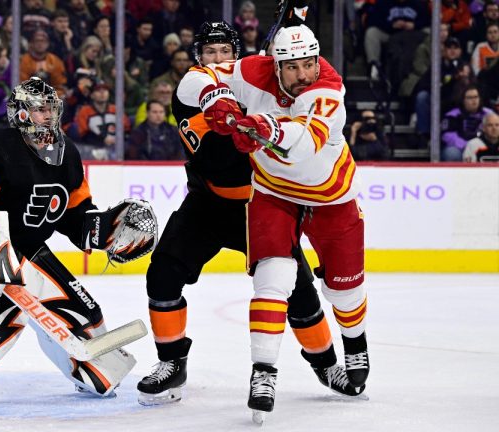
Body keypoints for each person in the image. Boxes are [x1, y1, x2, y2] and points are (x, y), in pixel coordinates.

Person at [136, 19, 365, 409]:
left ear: (237, 57)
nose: (218, 58)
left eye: (225, 52)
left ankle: (326, 365)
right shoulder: (190, 95)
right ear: (198, 59)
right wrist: (230, 115)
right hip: (208, 203)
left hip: (261, 202)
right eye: (210, 53)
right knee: (162, 273)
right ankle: (172, 363)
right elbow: (216, 155)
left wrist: (260, 122)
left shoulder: (259, 87)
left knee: (300, 295)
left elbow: (302, 126)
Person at [0, 77, 151, 416]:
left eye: (50, 109)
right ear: (20, 114)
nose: (47, 116)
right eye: (38, 110)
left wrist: (104, 231)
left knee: (85, 314)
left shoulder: (68, 155)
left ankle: (88, 370)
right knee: (3, 309)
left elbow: (75, 216)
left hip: (27, 247)